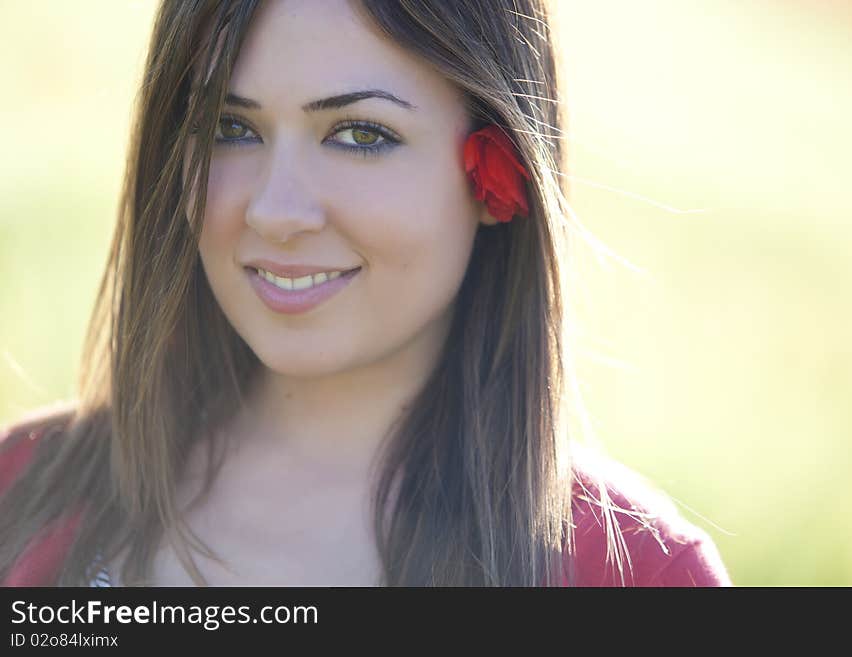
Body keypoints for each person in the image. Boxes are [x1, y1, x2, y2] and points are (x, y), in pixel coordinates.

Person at [0, 0, 731, 587]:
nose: (274, 211)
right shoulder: (21, 486)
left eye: (359, 135)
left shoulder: (641, 575)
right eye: (229, 127)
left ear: (496, 173)